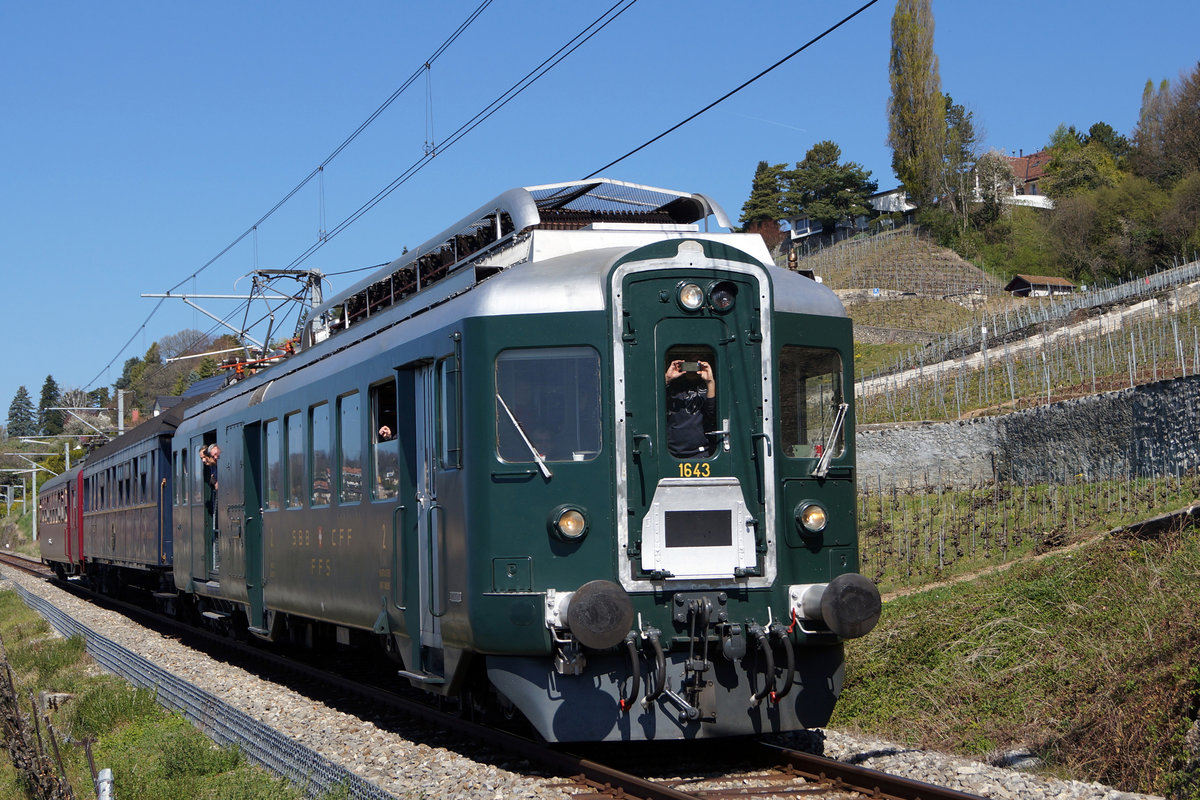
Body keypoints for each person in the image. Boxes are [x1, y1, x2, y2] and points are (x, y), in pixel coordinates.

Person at [665, 359, 716, 458]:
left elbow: (712, 413)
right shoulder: (673, 386)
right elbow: (653, 406)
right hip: (671, 452)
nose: (692, 368)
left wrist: (710, 382)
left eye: (696, 364)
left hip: (701, 451)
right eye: (689, 363)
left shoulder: (709, 386)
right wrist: (667, 378)